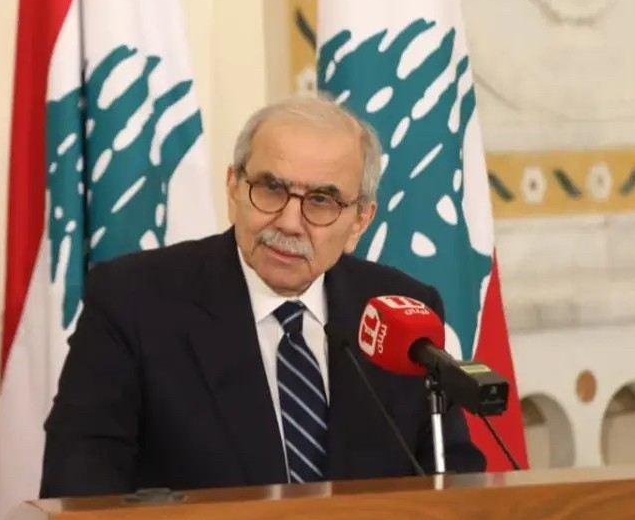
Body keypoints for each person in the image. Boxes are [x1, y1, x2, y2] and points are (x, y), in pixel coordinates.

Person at [38, 95, 486, 498]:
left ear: (360, 222)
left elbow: (454, 477)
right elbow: (78, 486)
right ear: (234, 187)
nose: (289, 222)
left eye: (322, 200)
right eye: (271, 189)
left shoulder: (399, 311)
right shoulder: (133, 301)